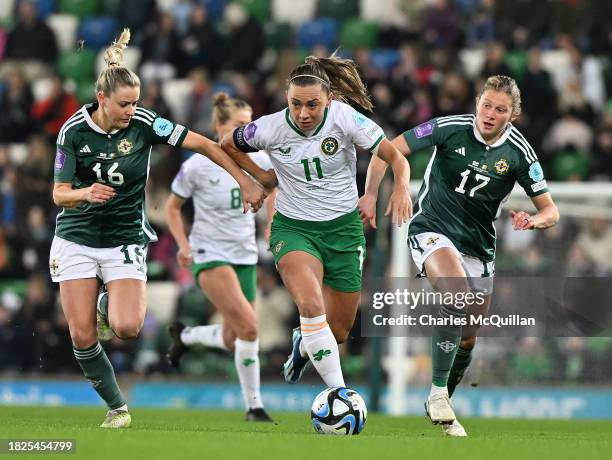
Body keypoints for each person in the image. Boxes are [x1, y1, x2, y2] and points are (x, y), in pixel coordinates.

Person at [49, 29, 264, 429]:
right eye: (124, 104)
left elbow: (204, 144)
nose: (132, 110)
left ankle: (105, 305)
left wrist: (244, 180)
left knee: (127, 328)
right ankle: (117, 407)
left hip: (125, 235)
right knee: (81, 336)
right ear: (101, 100)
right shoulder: (73, 132)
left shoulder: (146, 122)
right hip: (76, 236)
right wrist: (84, 194)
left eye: (135, 102)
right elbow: (59, 194)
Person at [359, 75, 559, 436]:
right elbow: (388, 149)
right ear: (477, 103)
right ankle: (437, 392)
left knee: (467, 337)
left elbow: (551, 211)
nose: (490, 114)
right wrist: (373, 193)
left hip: (478, 247)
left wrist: (533, 220)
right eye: (486, 105)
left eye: (500, 109)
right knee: (456, 295)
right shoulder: (449, 128)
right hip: (431, 228)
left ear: (512, 116)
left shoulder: (520, 154)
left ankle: (442, 405)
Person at [220, 54, 412, 390]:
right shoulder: (269, 127)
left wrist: (392, 191)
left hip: (344, 229)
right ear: (287, 100)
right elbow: (226, 144)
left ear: (330, 100)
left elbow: (394, 156)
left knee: (336, 331)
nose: (304, 113)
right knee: (310, 303)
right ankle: (339, 394)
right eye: (296, 105)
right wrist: (255, 177)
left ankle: (303, 341)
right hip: (294, 230)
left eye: (313, 105)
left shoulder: (345, 118)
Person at [164, 92, 274, 422]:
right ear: (219, 127)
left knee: (232, 337)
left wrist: (272, 223)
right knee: (251, 328)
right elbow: (171, 207)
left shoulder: (260, 160)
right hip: (209, 254)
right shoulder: (197, 164)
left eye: (250, 125)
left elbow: (273, 189)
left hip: (245, 254)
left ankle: (185, 336)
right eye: (240, 125)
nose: (247, 131)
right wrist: (183, 244)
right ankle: (254, 407)